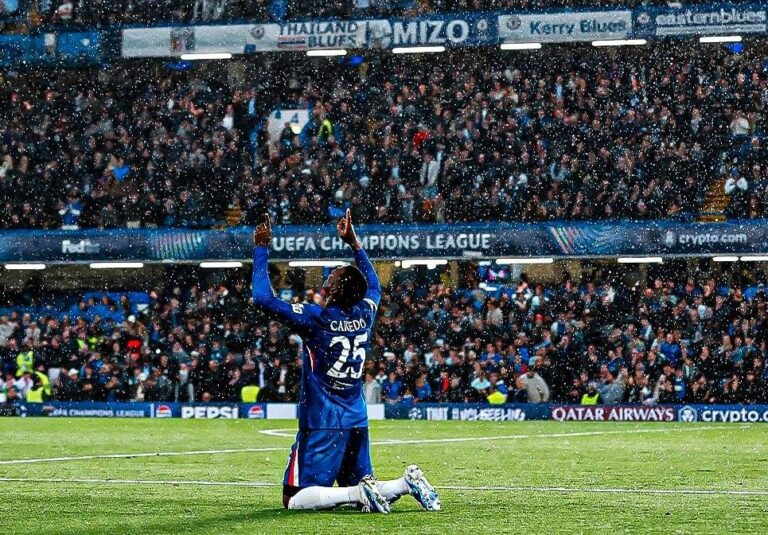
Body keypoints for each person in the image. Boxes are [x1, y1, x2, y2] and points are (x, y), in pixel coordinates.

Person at [252, 210, 440, 513]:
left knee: (293, 499)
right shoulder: (364, 314)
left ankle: (358, 493)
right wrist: (354, 243)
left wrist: (261, 249)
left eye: (334, 274)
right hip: (356, 419)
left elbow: (263, 299)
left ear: (335, 289)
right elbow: (375, 287)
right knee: (362, 486)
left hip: (322, 423)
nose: (329, 275)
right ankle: (406, 484)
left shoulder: (317, 319)